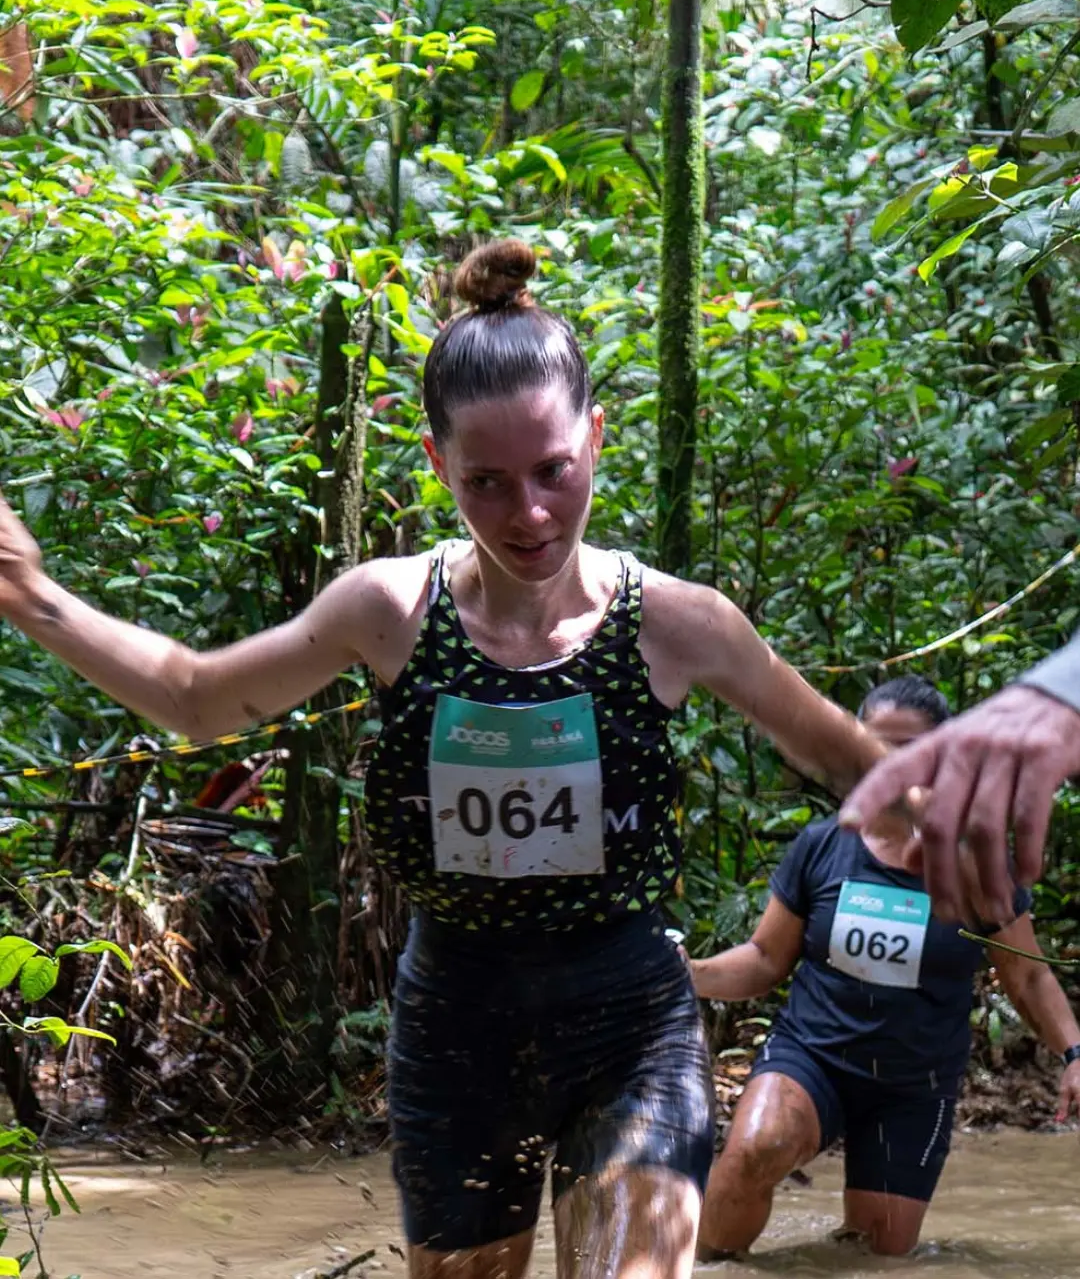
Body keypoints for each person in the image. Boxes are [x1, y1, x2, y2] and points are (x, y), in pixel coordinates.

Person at [0, 238, 884, 1279]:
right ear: (436, 466)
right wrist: (28, 596)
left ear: (596, 439)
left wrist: (983, 790)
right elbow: (197, 698)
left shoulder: (678, 624)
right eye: (488, 482)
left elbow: (842, 754)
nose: (531, 514)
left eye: (553, 471)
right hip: (457, 1026)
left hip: (630, 1017)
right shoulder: (390, 612)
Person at [690, 676, 1080, 1260]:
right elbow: (766, 959)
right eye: (872, 745)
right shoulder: (823, 845)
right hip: (813, 1056)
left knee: (874, 1258)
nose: (884, 763)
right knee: (754, 1149)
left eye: (907, 750)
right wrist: (686, 973)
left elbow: (1026, 975)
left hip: (913, 1083)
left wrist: (1075, 1053)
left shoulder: (974, 861)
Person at [841, 653, 1080, 926]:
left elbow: (1025, 967)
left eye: (909, 749)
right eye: (878, 748)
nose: (893, 763)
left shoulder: (972, 854)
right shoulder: (826, 844)